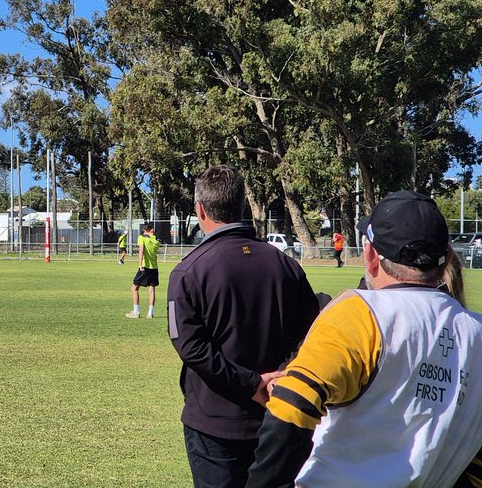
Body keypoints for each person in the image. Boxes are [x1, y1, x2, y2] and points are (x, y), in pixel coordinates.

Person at [247, 190, 482, 487]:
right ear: (447, 257)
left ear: (370, 256)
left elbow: (292, 404)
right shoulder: (476, 331)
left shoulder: (361, 312)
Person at [168, 164, 320, 487]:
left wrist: (252, 384)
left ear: (200, 210)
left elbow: (192, 349)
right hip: (278, 414)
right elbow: (312, 332)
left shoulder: (188, 272)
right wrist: (278, 377)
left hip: (214, 425)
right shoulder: (286, 265)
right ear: (243, 206)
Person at [126, 225, 160, 319]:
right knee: (152, 290)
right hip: (154, 267)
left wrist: (140, 264)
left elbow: (141, 251)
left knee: (134, 288)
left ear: (145, 230)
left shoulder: (141, 238)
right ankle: (150, 313)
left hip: (145, 266)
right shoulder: (156, 240)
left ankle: (136, 312)